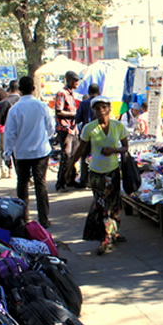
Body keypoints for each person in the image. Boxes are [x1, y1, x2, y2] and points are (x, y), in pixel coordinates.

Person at [66, 96, 128, 255]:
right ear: (93, 111)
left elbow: (125, 147)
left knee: (114, 205)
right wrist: (71, 166)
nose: (101, 111)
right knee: (101, 205)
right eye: (97, 108)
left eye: (104, 107)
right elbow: (81, 148)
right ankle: (104, 239)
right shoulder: (89, 128)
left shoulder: (118, 126)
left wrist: (113, 150)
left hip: (113, 171)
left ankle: (114, 232)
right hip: (96, 173)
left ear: (109, 108)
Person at [3, 76, 54, 228]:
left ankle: (23, 218)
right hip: (40, 152)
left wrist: (7, 152)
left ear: (19, 89)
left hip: (22, 153)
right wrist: (44, 139)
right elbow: (50, 127)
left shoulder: (15, 109)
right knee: (41, 184)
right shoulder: (42, 106)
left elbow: (10, 133)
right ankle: (43, 219)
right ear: (33, 88)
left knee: (22, 185)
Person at [55, 70, 80, 192]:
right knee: (66, 156)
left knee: (74, 156)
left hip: (73, 129)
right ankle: (60, 183)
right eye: (75, 81)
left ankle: (71, 180)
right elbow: (58, 112)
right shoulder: (62, 93)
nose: (77, 83)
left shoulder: (71, 94)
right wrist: (74, 114)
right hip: (65, 130)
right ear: (69, 80)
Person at [75, 83, 100, 188]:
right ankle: (96, 180)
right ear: (98, 92)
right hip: (99, 134)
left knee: (84, 157)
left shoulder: (83, 104)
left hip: (86, 134)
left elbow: (77, 119)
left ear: (89, 92)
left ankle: (84, 180)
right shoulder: (101, 103)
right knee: (97, 156)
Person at [0, 80, 21, 178]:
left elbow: (1, 121)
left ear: (9, 89)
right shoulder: (23, 101)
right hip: (24, 133)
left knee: (7, 152)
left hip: (8, 132)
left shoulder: (4, 103)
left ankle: (9, 171)